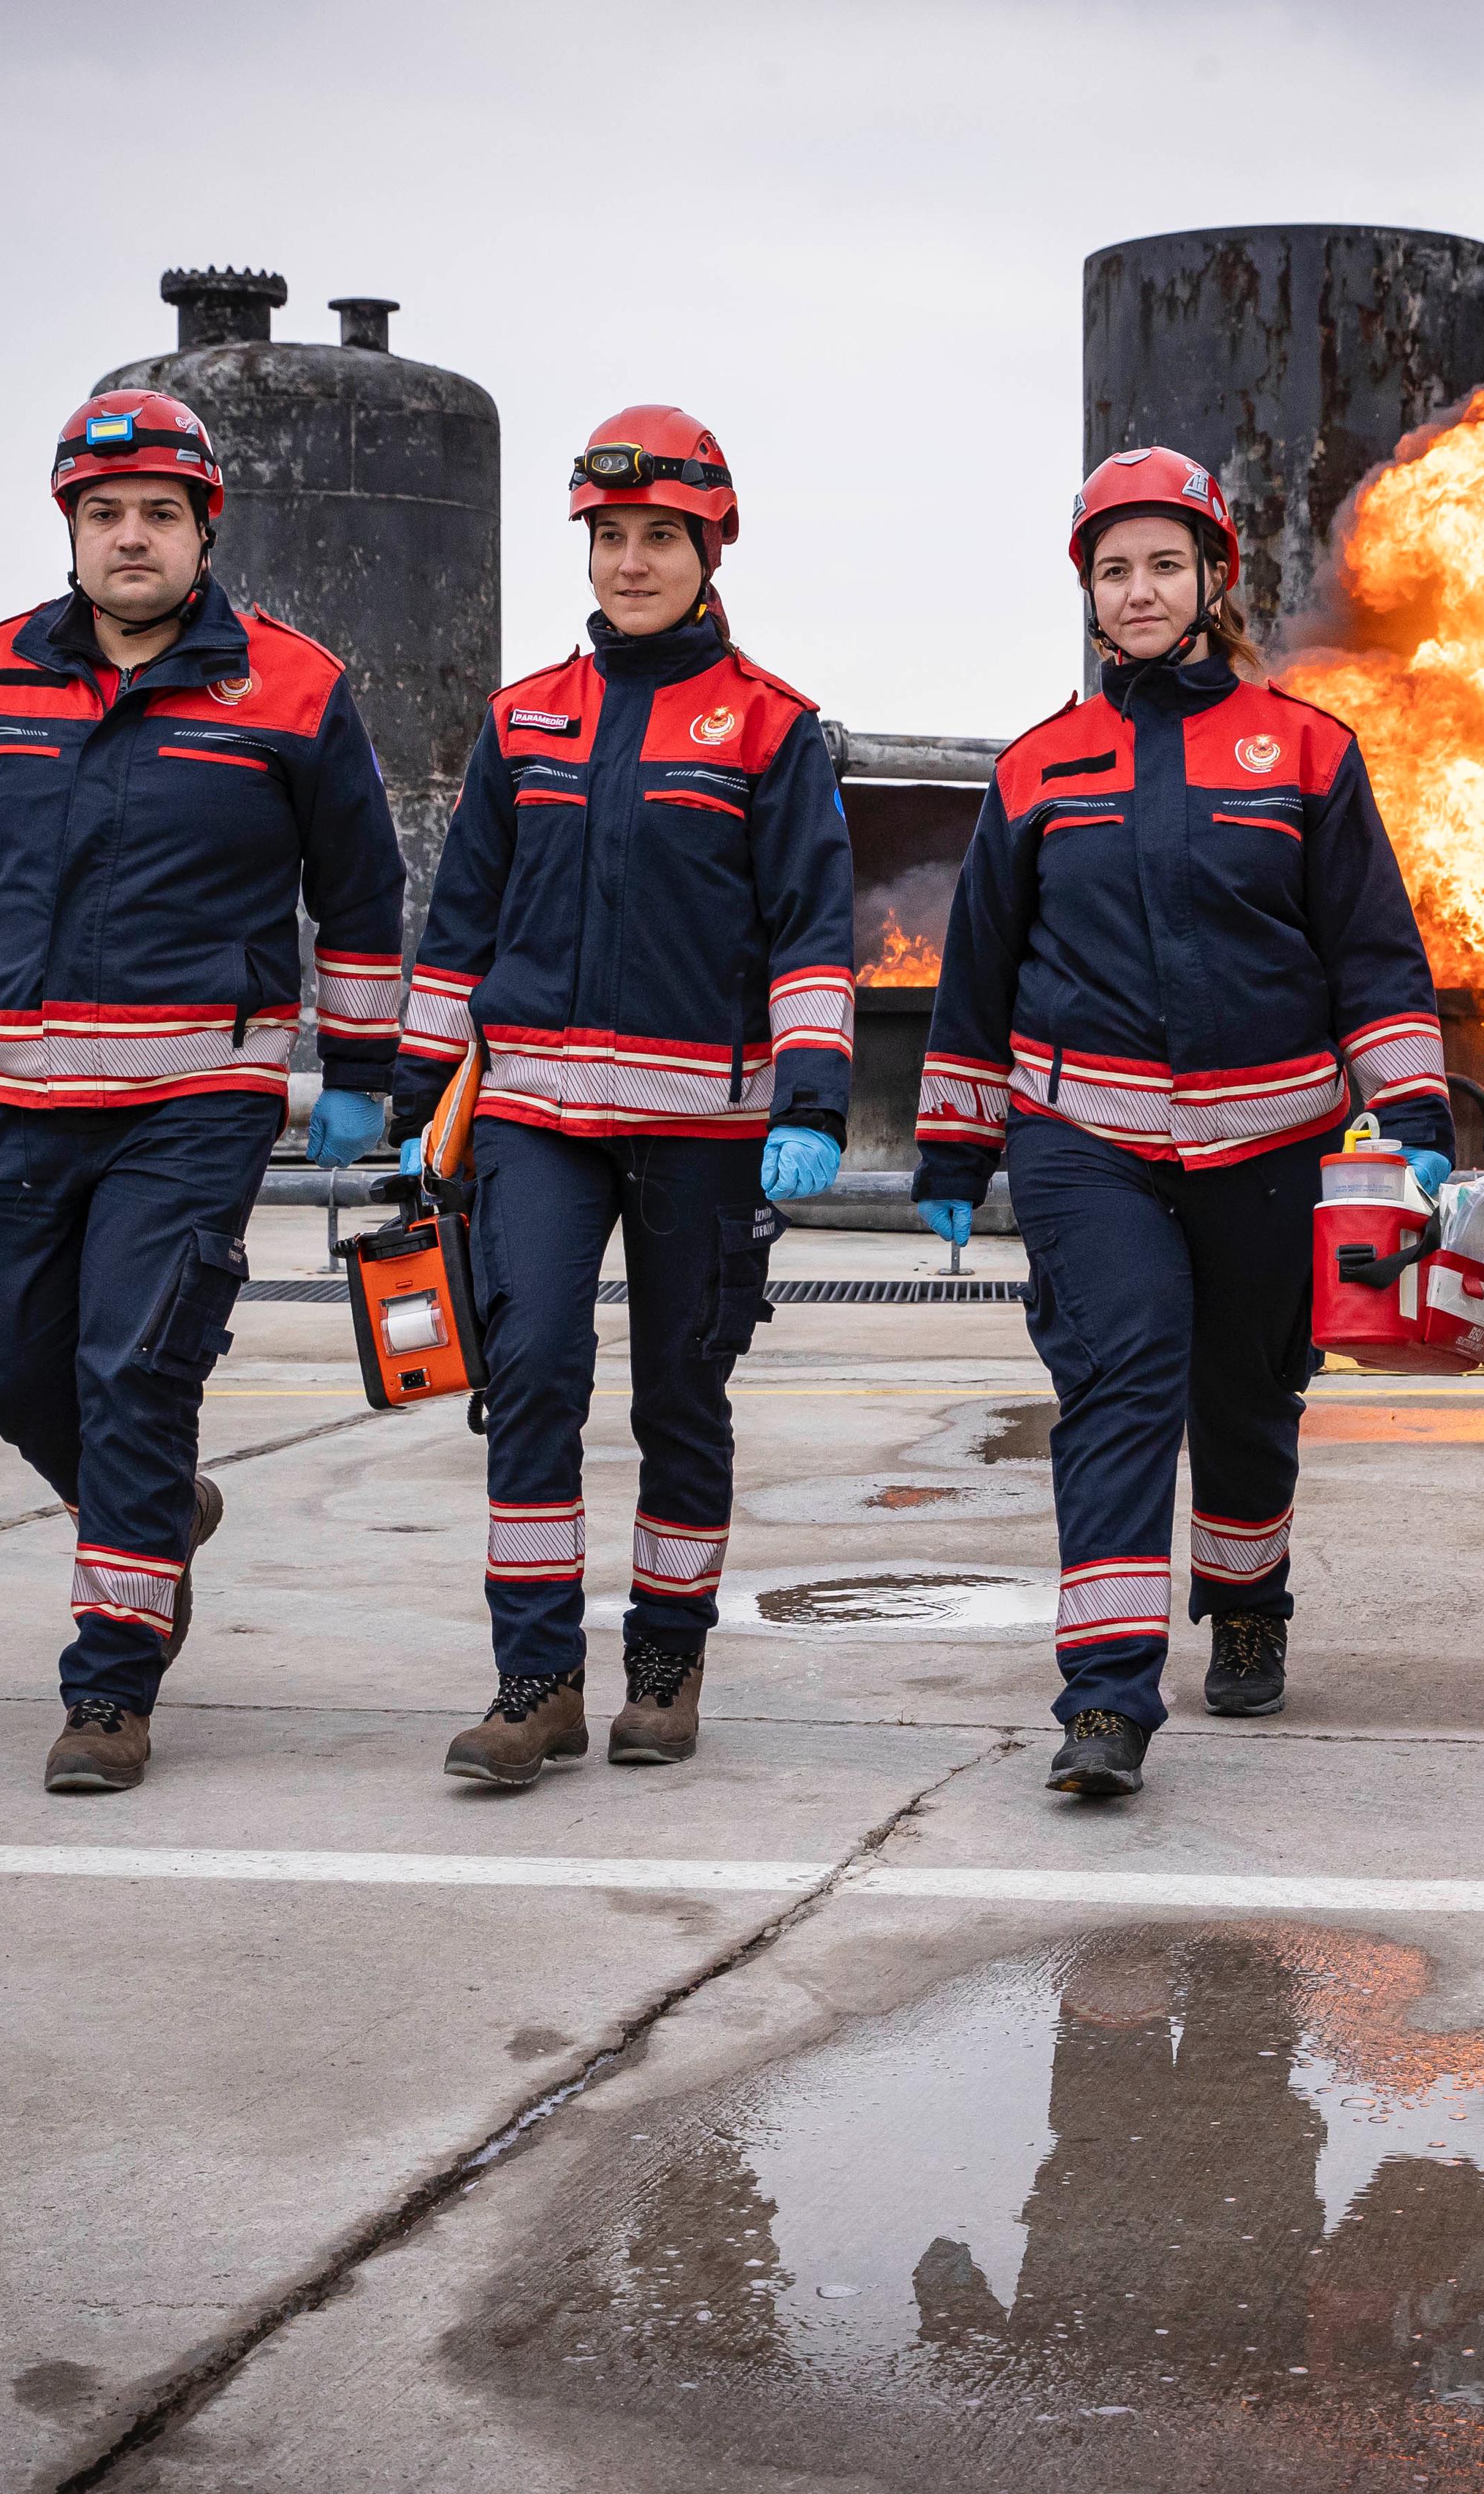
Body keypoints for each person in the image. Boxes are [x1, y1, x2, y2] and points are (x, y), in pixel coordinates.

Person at [0, 387, 405, 1796]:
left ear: (206, 527)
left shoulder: (295, 686)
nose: (130, 536)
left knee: (136, 1368)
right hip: (21, 1093)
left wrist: (362, 1074)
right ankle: (156, 1515)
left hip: (200, 1096)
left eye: (158, 514)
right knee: (4, 1359)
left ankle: (109, 1683)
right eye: (103, 513)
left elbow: (363, 900)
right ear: (68, 526)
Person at [911, 448, 1456, 1799]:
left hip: (1273, 1138)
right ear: (1088, 594)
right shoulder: (1038, 768)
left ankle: (1249, 1589)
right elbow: (979, 970)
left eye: (1164, 564)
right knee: (1119, 1380)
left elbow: (1373, 953)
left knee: (1249, 1394)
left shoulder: (1310, 750)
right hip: (1082, 1134)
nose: (1139, 591)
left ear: (1215, 577)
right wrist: (954, 1147)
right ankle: (1103, 1697)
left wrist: (1416, 1103)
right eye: (1114, 570)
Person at [374, 404, 852, 1788]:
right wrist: (414, 1081)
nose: (632, 562)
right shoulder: (523, 719)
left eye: (661, 537)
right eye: (611, 536)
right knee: (528, 1374)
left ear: (712, 548)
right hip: (533, 1117)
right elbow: (459, 921)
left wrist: (811, 1105)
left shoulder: (772, 729)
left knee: (679, 1396)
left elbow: (815, 936)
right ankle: (535, 1678)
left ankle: (665, 1659)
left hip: (704, 1126)